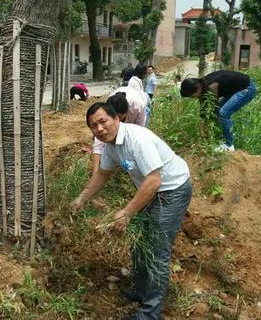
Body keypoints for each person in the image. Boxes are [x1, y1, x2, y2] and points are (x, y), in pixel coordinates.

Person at [71, 103, 192, 319]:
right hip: (151, 191)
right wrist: (81, 198)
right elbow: (102, 175)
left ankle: (150, 313)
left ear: (117, 119)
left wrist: (127, 212)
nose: (99, 129)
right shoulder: (110, 146)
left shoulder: (137, 140)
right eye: (93, 126)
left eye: (102, 121)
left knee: (156, 252)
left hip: (172, 190)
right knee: (139, 243)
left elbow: (154, 180)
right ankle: (141, 290)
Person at [180, 70, 257, 152]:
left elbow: (214, 108)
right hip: (234, 90)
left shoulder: (212, 87)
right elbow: (204, 108)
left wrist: (206, 128)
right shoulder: (201, 85)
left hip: (247, 88)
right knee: (218, 114)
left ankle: (229, 145)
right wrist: (202, 126)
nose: (193, 98)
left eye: (192, 96)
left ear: (198, 89)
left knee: (223, 113)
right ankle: (225, 135)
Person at [91, 88, 147, 174]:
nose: (117, 123)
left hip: (142, 100)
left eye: (120, 118)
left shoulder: (138, 106)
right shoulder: (107, 108)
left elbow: (140, 132)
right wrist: (95, 171)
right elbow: (98, 144)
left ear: (126, 113)